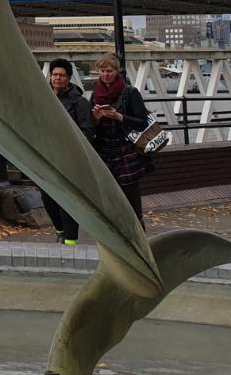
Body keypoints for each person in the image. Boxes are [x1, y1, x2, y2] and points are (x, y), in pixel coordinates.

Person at [89, 51, 153, 222]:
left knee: (131, 197)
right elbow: (89, 126)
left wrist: (121, 117)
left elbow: (143, 122)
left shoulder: (130, 92)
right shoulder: (96, 94)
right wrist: (95, 119)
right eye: (102, 71)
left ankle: (138, 232)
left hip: (126, 151)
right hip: (104, 150)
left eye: (109, 71)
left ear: (117, 71)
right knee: (108, 194)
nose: (105, 75)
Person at [41, 58, 93, 244]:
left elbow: (87, 132)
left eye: (61, 75)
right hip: (47, 157)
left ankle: (70, 241)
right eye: (54, 74)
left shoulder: (79, 103)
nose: (57, 78)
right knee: (47, 197)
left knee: (67, 200)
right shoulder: (42, 98)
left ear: (69, 78)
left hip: (70, 159)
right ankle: (61, 231)